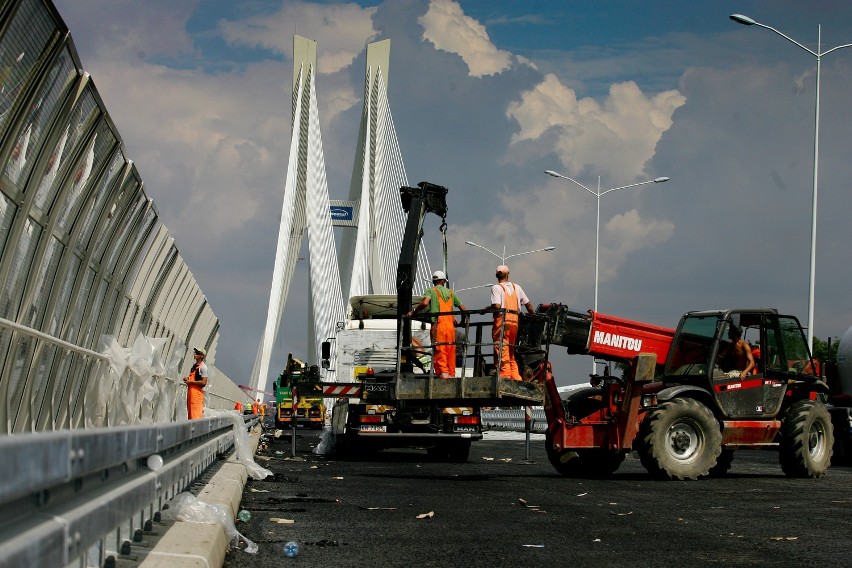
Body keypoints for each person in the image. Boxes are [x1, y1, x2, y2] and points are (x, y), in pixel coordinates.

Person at [407, 270, 467, 378]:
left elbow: (425, 302)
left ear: (433, 281)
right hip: (450, 328)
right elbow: (463, 308)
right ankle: (451, 375)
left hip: (438, 326)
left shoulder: (430, 291)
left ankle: (443, 375)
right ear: (443, 281)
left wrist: (414, 311)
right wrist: (463, 321)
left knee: (440, 350)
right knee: (450, 350)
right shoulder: (451, 293)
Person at [491, 265, 534, 380]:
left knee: (502, 349)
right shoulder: (517, 287)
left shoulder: (496, 288)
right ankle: (516, 377)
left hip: (502, 323)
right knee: (510, 352)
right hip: (514, 323)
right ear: (508, 274)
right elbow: (528, 305)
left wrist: (488, 309)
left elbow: (497, 305)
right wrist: (533, 317)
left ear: (496, 276)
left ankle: (504, 377)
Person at [183, 347, 208, 419]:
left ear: (202, 356)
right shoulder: (194, 367)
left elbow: (204, 382)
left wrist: (190, 382)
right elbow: (196, 378)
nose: (195, 354)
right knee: (190, 416)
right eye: (195, 352)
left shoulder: (203, 367)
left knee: (195, 417)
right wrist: (187, 378)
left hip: (197, 396)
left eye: (197, 353)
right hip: (191, 394)